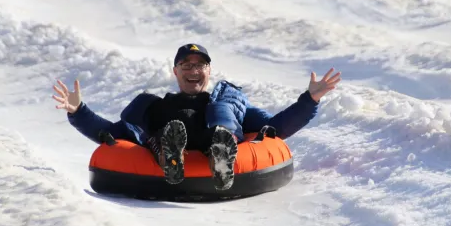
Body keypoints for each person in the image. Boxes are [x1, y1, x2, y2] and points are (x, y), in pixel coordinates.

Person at [53, 43, 341, 191]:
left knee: (220, 111)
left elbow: (275, 128)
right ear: (175, 72)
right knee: (153, 108)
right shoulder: (160, 106)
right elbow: (112, 135)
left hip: (212, 133)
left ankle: (221, 152)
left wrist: (310, 99)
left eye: (200, 64)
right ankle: (169, 154)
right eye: (185, 65)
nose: (194, 70)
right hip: (168, 135)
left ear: (209, 71)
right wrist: (79, 111)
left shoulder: (226, 103)